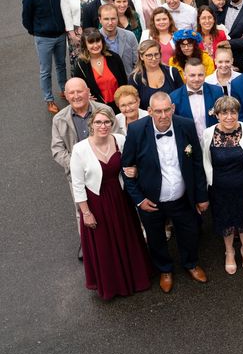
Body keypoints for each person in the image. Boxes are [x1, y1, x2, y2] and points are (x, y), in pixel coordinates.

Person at [122, 92, 209, 293]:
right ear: (150, 111)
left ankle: (191, 263)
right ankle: (165, 269)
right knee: (155, 237)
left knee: (189, 233)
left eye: (166, 110)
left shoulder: (186, 125)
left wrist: (201, 196)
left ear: (173, 109)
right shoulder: (136, 130)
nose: (163, 115)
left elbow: (197, 163)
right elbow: (126, 169)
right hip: (151, 200)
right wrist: (139, 200)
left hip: (182, 197)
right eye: (158, 111)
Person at [70, 106, 152, 299]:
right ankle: (112, 285)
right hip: (97, 202)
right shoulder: (80, 150)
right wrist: (86, 212)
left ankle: (135, 279)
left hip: (120, 198)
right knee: (105, 245)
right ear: (91, 124)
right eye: (98, 122)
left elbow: (131, 165)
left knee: (128, 236)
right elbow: (78, 184)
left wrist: (135, 171)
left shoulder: (120, 140)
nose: (103, 126)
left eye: (107, 122)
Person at [52, 78, 120, 259]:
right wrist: (77, 166)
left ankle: (116, 242)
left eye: (79, 91)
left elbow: (118, 136)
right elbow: (57, 150)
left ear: (88, 91)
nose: (76, 96)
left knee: (113, 207)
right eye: (71, 93)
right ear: (65, 96)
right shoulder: (59, 119)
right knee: (82, 211)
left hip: (107, 171)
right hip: (78, 176)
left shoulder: (105, 111)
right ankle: (88, 246)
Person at [202, 96, 243, 274]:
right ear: (217, 115)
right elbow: (205, 162)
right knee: (225, 222)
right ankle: (229, 251)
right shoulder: (208, 133)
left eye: (233, 112)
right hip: (219, 190)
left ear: (238, 113)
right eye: (224, 113)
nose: (229, 117)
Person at [22, 0, 67, 113]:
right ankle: (49, 99)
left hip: (60, 36)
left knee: (61, 65)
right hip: (43, 39)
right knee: (45, 71)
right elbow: (26, 20)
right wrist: (36, 32)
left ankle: (64, 89)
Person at [72, 28, 128, 112]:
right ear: (85, 45)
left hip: (120, 105)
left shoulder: (114, 58)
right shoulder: (81, 65)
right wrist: (85, 96)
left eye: (98, 41)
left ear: (102, 42)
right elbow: (77, 87)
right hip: (97, 108)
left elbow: (124, 82)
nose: (95, 45)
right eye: (91, 42)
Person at [170, 57, 224, 140]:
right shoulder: (174, 97)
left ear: (205, 74)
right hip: (189, 143)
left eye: (200, 75)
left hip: (215, 141)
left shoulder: (217, 92)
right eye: (192, 75)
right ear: (184, 75)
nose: (197, 79)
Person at [128, 40, 184, 110]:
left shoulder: (172, 72)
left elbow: (182, 95)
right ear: (141, 57)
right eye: (149, 55)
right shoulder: (134, 78)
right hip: (149, 118)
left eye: (156, 54)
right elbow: (134, 104)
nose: (154, 58)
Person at [60, 0, 97, 65]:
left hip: (93, 30)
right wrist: (73, 36)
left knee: (95, 58)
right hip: (77, 34)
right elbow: (67, 18)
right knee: (81, 61)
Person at [98, 4, 139, 76]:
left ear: (118, 18)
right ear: (100, 20)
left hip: (127, 82)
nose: (110, 23)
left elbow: (137, 62)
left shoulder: (130, 36)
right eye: (106, 19)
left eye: (113, 19)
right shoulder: (95, 39)